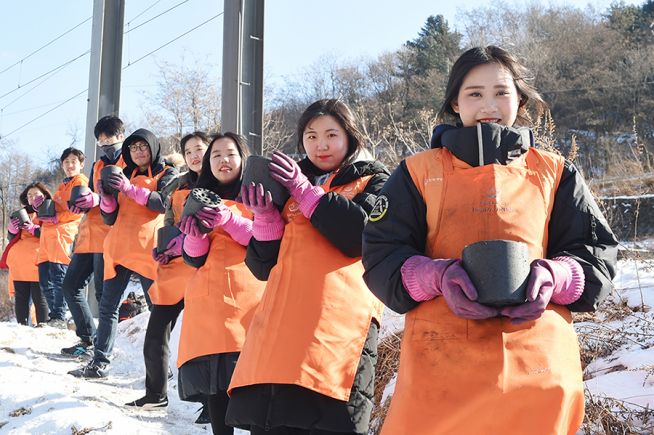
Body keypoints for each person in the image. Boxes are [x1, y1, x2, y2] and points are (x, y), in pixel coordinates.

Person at [361, 46, 619, 435]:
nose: (489, 105)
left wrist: (556, 276)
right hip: (441, 365)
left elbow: (596, 253)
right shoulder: (417, 172)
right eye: (475, 93)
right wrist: (435, 276)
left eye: (501, 92)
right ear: (455, 102)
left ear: (520, 98)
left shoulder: (555, 172)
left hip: (538, 365)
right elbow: (381, 253)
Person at [226, 99, 390, 435]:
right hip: (282, 324)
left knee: (331, 421)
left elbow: (361, 235)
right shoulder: (286, 188)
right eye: (311, 137)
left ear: (351, 136)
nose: (321, 144)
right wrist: (267, 217)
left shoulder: (375, 179)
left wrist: (305, 191)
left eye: (331, 134)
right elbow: (262, 266)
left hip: (339, 326)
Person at [69, 128, 178, 379]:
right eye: (133, 148)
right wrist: (105, 197)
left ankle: (164, 366)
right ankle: (100, 362)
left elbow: (162, 203)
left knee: (157, 310)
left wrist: (128, 189)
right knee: (108, 308)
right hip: (118, 248)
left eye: (143, 147)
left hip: (149, 249)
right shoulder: (123, 173)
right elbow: (110, 216)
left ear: (153, 147)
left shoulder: (167, 172)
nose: (138, 152)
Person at [176, 132, 265, 435]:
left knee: (253, 383)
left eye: (230, 154)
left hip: (250, 300)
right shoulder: (197, 198)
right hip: (209, 302)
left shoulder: (260, 195)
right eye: (215, 156)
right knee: (216, 387)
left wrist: (227, 219)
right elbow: (193, 258)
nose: (223, 161)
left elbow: (261, 241)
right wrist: (195, 235)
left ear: (243, 158)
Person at [124, 131, 209, 409]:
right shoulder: (178, 185)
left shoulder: (224, 183)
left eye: (200, 150)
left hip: (207, 270)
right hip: (175, 270)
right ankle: (156, 394)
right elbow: (169, 222)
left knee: (206, 339)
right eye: (189, 152)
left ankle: (212, 405)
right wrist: (164, 247)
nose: (195, 156)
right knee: (156, 332)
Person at [60, 115, 126, 357]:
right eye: (101, 140)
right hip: (88, 235)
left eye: (109, 138)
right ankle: (87, 338)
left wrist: (98, 199)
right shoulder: (97, 165)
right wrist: (84, 203)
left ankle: (102, 349)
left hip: (109, 236)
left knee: (103, 296)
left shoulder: (127, 162)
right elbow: (91, 193)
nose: (105, 143)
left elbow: (125, 197)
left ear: (121, 136)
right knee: (70, 286)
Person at [33, 148, 89, 328]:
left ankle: (59, 315)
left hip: (63, 234)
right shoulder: (63, 185)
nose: (70, 165)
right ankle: (55, 314)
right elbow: (55, 208)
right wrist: (41, 209)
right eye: (66, 162)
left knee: (58, 277)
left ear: (81, 164)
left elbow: (76, 211)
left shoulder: (81, 181)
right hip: (48, 237)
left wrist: (57, 217)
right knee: (45, 280)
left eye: (73, 161)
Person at [2, 183, 50, 326]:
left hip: (38, 260)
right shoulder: (22, 212)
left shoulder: (48, 209)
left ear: (45, 195)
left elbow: (52, 234)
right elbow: (12, 238)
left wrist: (34, 229)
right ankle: (21, 327)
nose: (32, 197)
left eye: (35, 194)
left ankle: (43, 327)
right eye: (29, 195)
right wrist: (12, 230)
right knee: (21, 297)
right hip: (19, 262)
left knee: (39, 297)